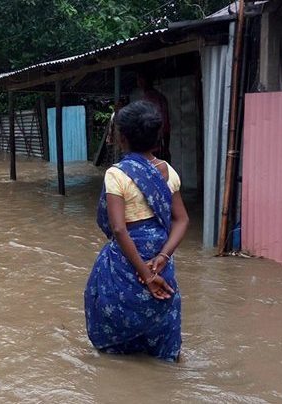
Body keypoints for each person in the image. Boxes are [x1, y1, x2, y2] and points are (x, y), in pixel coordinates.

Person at [84, 100, 190, 362]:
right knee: (162, 309)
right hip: (159, 258)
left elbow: (119, 229)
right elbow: (182, 220)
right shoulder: (168, 171)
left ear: (122, 138)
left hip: (128, 261)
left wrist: (144, 274)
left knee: (105, 303)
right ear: (156, 138)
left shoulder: (117, 174)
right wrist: (162, 258)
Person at [133, 72, 171, 161]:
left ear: (143, 81)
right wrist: (166, 147)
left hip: (152, 145)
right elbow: (166, 125)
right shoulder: (161, 97)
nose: (138, 82)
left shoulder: (148, 99)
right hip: (160, 144)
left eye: (139, 79)